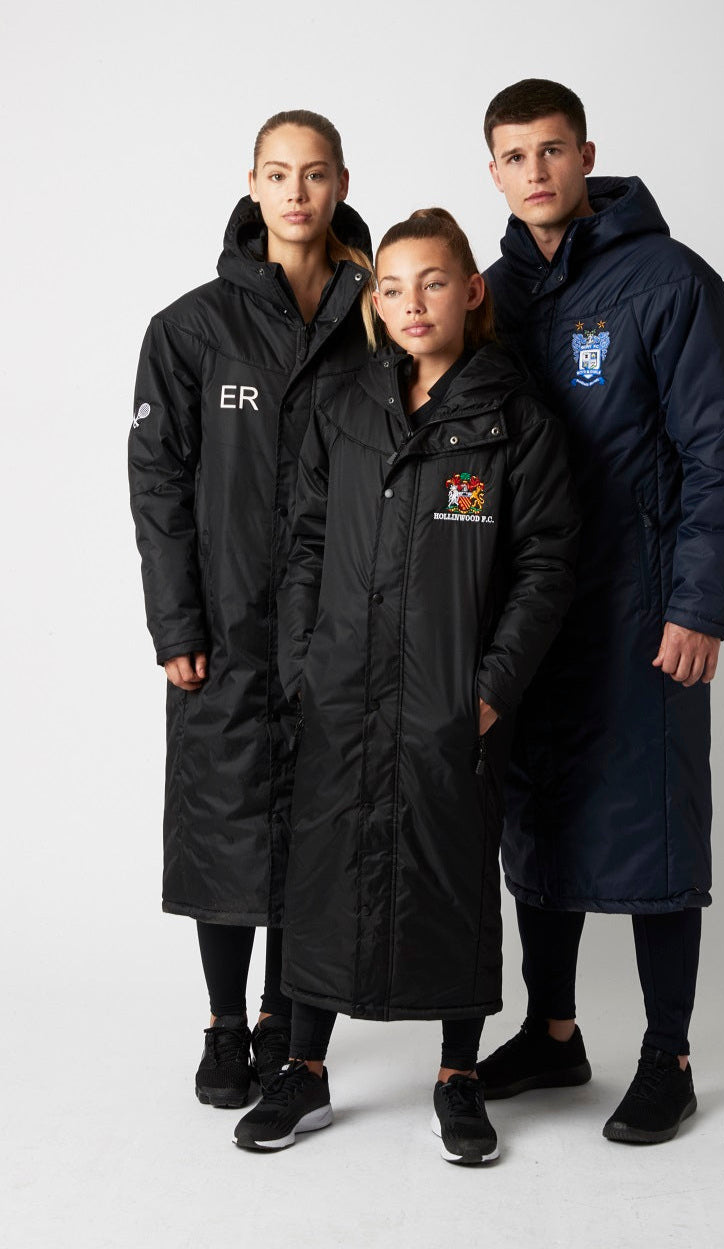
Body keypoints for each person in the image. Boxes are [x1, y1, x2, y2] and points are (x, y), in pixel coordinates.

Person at [231, 208, 579, 1163]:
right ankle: (303, 1070)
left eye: (432, 282)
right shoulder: (346, 406)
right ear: (375, 302)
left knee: (452, 871)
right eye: (392, 286)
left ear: (472, 291)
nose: (411, 302)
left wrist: (488, 689)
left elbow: (547, 566)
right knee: (321, 869)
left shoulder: (516, 421)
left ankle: (458, 1076)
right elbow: (305, 542)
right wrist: (304, 662)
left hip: (448, 700)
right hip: (340, 691)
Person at [475, 79, 724, 1144]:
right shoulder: (491, 293)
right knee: (536, 823)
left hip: (643, 611)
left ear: (586, 156)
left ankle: (666, 1055)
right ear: (493, 171)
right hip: (530, 614)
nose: (536, 171)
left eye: (552, 149)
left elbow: (719, 455)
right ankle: (553, 1034)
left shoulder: (669, 280)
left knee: (653, 831)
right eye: (515, 155)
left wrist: (700, 604)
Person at [129, 110, 375, 1110]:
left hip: (338, 627)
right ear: (253, 184)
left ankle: (286, 1019)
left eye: (314, 174)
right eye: (279, 174)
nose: (297, 193)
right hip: (226, 627)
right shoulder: (192, 328)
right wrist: (176, 624)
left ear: (341, 182)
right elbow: (157, 482)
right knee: (225, 820)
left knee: (318, 828)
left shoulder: (374, 319)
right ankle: (226, 1026)